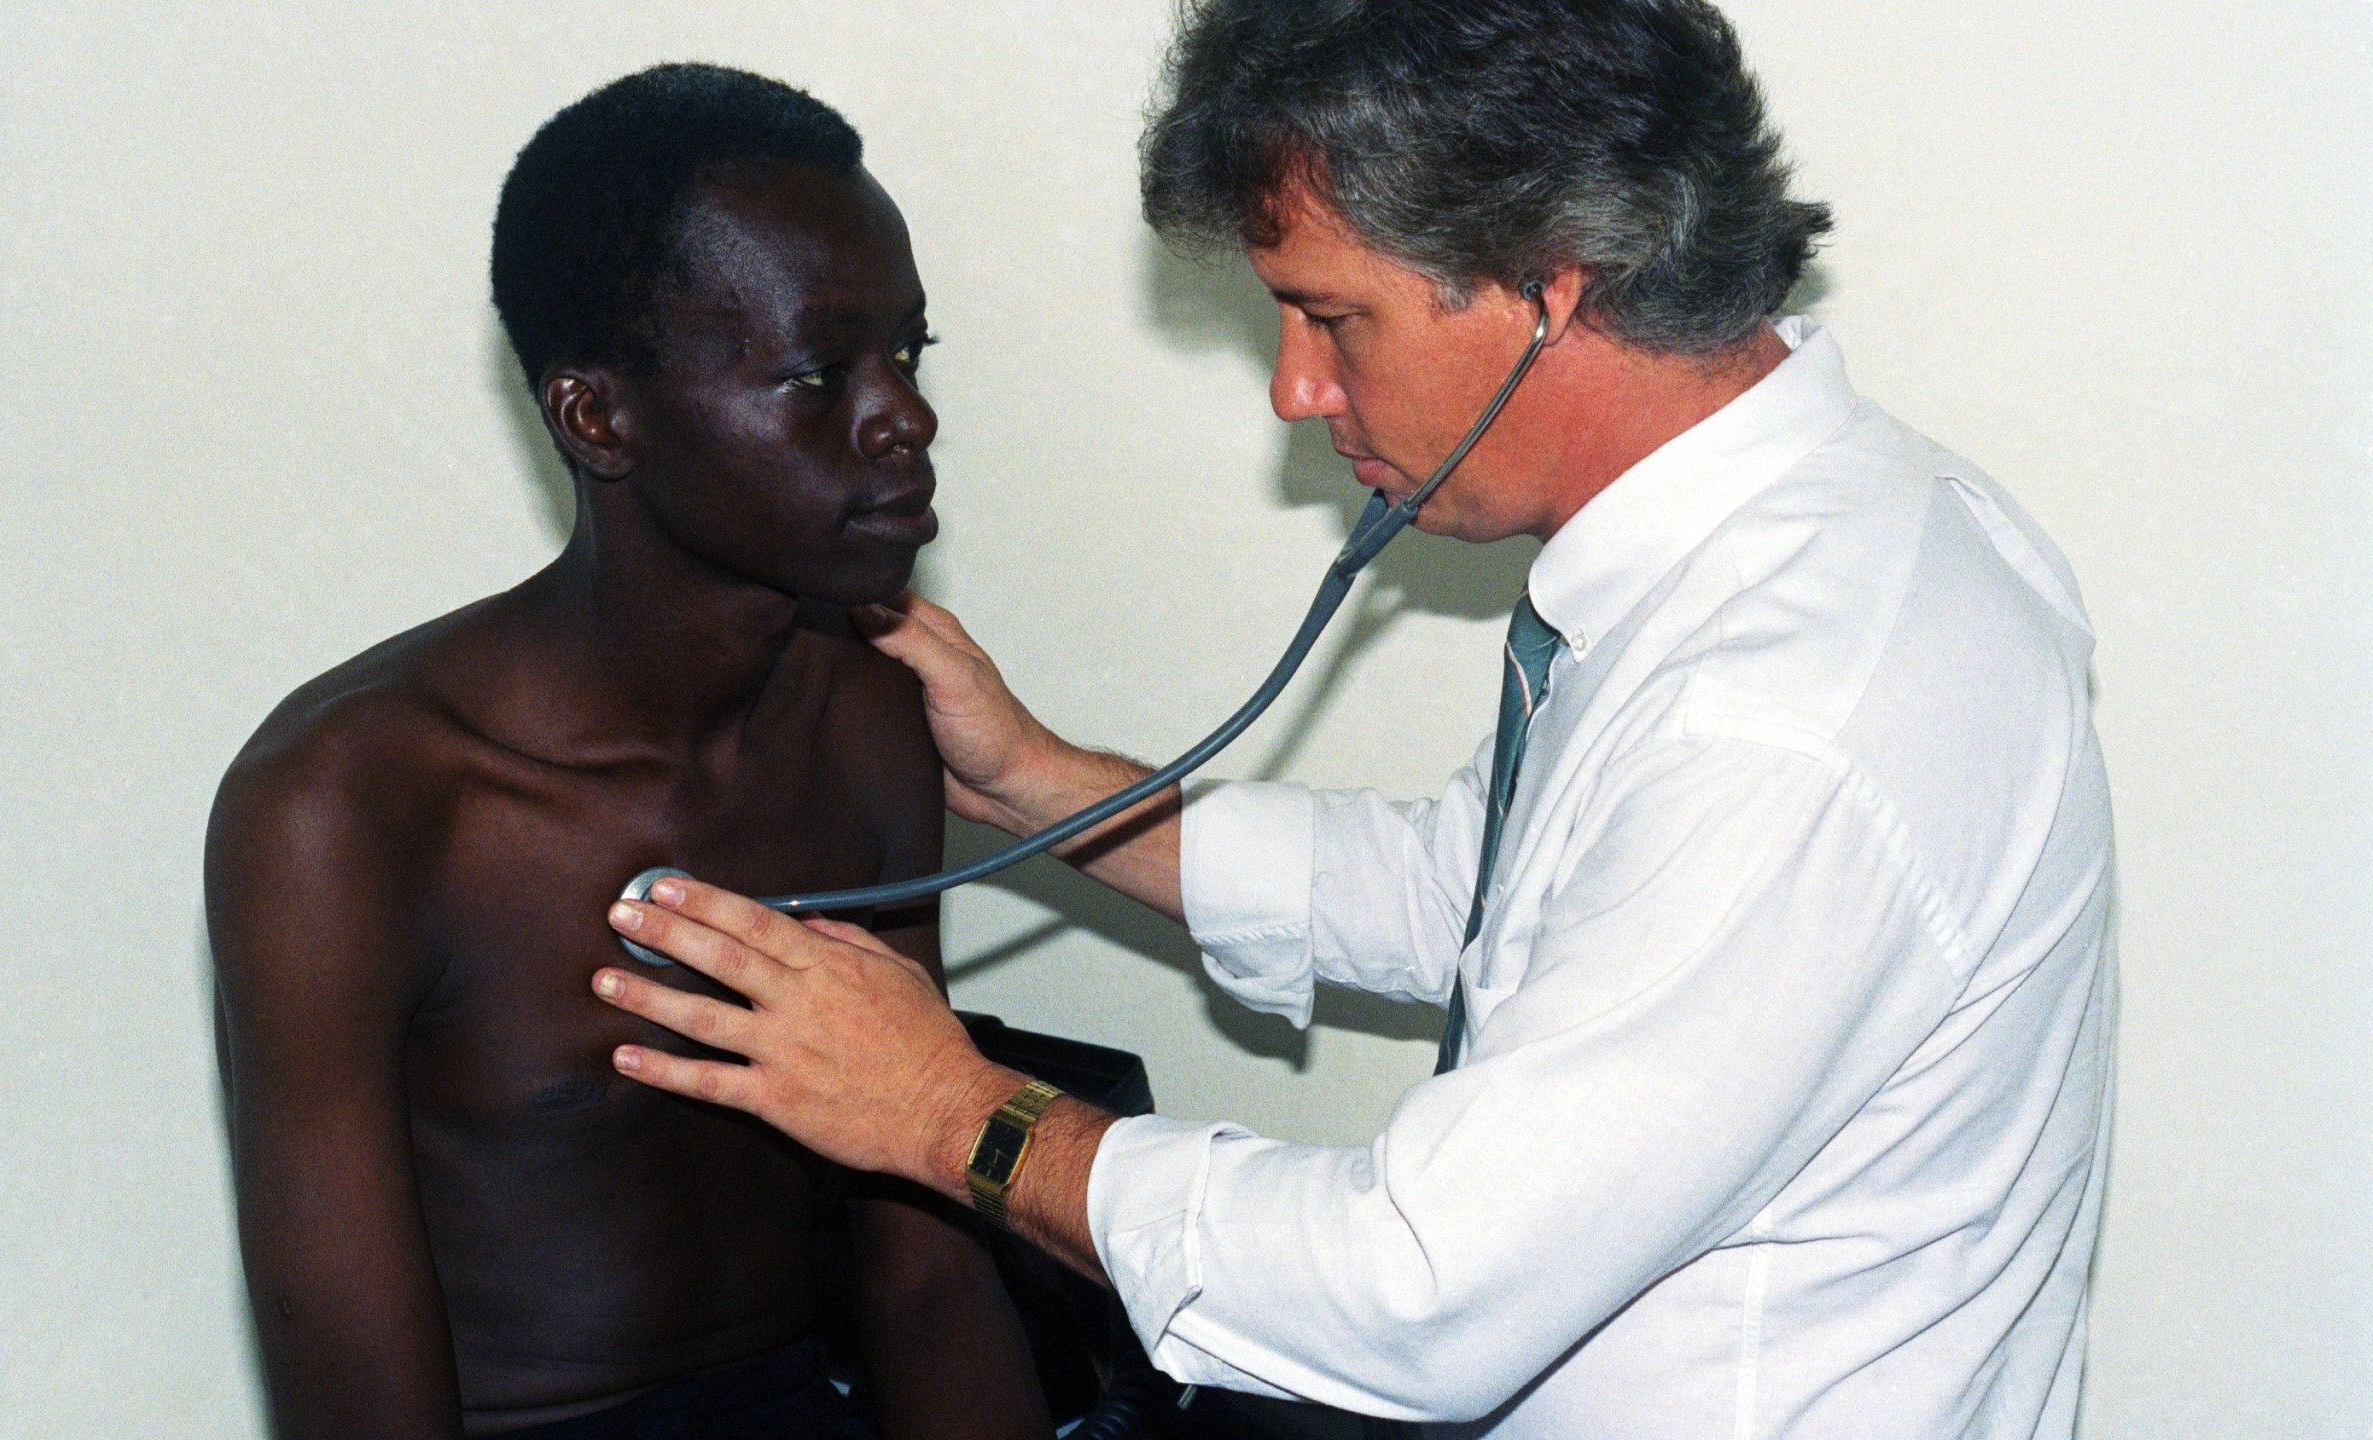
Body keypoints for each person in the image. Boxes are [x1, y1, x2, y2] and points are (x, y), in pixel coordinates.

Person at [588, 3, 2119, 1438]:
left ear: (1548, 285)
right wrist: (1044, 786)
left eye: (1334, 319)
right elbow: (1486, 892)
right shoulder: (1839, 527)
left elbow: (1418, 1291)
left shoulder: (1787, 717)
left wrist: (953, 1113)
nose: (1296, 391)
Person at [205, 64, 1050, 1440]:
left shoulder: (867, 719)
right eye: (819, 370)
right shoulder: (353, 807)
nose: (905, 416)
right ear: (599, 418)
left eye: (911, 352)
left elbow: (927, 1283)